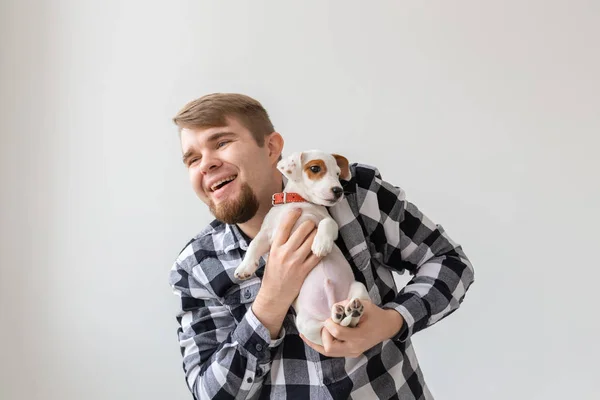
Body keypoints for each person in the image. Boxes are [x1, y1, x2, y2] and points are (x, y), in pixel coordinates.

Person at [169, 93, 475, 400]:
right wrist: (269, 304)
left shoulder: (354, 196)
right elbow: (210, 393)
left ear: (272, 147)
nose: (206, 163)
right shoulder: (196, 266)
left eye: (221, 142)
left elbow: (449, 262)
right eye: (193, 159)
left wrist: (391, 321)